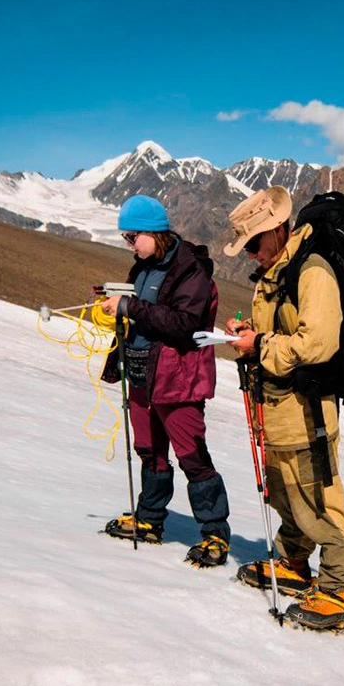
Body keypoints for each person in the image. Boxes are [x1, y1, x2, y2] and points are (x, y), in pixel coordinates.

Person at [223, 186, 344, 632]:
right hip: (277, 410)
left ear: (277, 231)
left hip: (306, 413)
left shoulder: (311, 270)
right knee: (286, 495)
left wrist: (257, 344)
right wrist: (248, 334)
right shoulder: (277, 270)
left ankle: (338, 590)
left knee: (317, 501)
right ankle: (295, 565)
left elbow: (317, 343)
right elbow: (277, 334)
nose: (249, 255)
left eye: (254, 244)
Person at [98, 194, 231, 569]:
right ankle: (149, 520)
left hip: (178, 377)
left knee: (192, 456)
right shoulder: (140, 269)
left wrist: (129, 307)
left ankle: (215, 536)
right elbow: (136, 318)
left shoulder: (191, 271)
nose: (128, 244)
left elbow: (183, 323)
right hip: (142, 372)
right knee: (150, 451)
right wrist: (116, 349)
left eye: (131, 236)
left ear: (153, 232)